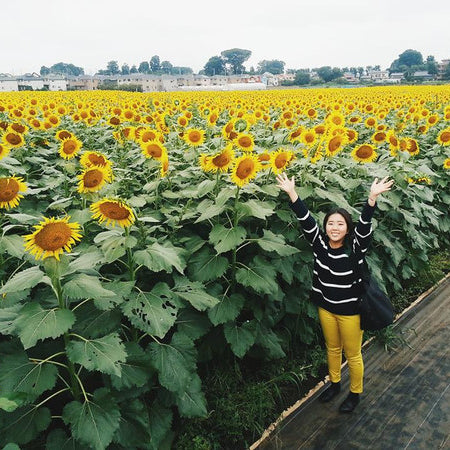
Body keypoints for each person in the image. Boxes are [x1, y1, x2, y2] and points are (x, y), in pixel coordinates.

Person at [276, 173, 394, 413]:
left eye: (341, 224)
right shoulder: (319, 245)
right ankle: (335, 383)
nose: (335, 228)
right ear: (326, 227)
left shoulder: (355, 249)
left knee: (353, 355)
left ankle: (355, 392)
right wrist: (292, 193)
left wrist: (372, 199)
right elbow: (306, 220)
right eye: (331, 223)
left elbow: (364, 228)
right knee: (332, 349)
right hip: (326, 307)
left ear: (347, 228)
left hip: (350, 311)